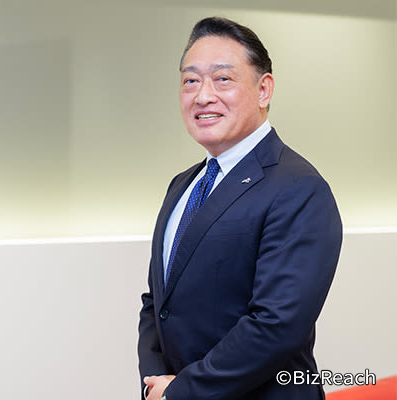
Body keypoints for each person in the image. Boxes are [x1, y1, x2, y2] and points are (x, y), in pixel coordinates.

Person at [137, 17, 342, 400]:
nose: (202, 96)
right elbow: (158, 303)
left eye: (222, 79)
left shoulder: (299, 188)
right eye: (190, 80)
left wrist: (182, 390)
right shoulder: (182, 185)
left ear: (263, 90)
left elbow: (276, 326)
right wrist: (155, 381)